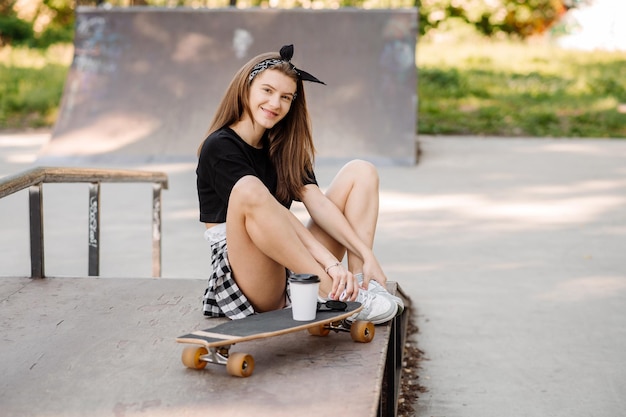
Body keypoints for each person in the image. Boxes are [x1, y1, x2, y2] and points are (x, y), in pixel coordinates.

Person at [196, 44, 403, 324]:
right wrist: (329, 264)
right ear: (246, 88)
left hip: (291, 254)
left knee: (361, 172)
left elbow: (317, 203)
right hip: (247, 272)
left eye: (286, 97)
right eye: (267, 91)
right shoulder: (219, 146)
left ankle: (361, 284)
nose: (275, 104)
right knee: (249, 188)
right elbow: (275, 213)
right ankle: (336, 294)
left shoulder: (283, 145)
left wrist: (366, 255)